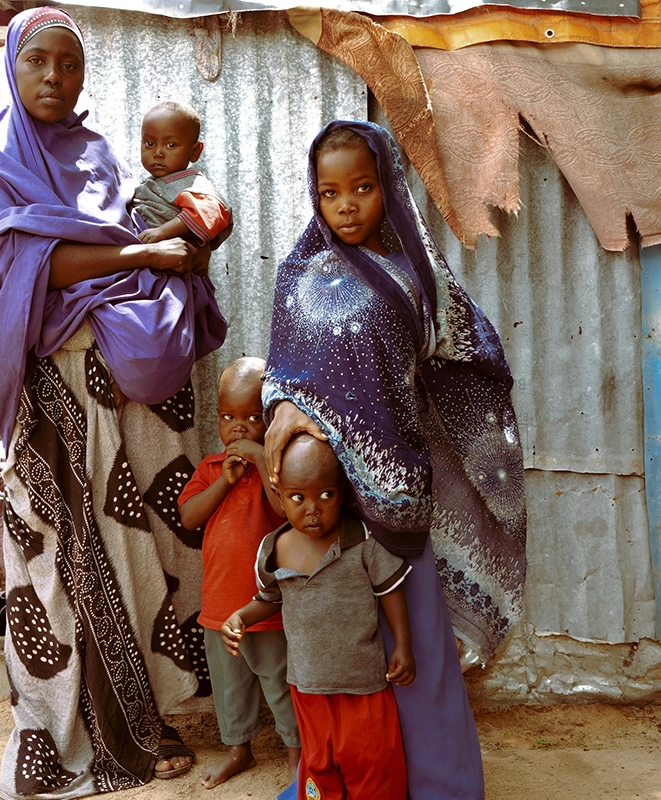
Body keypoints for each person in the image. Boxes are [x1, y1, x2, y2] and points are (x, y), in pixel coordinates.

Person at [0, 8, 226, 797]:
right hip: (53, 388)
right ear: (12, 65)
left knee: (147, 557)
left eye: (69, 65)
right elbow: (22, 267)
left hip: (126, 387)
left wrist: (172, 245)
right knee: (58, 565)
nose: (54, 78)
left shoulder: (101, 153)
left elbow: (108, 243)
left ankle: (150, 713)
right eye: (38, 61)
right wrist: (139, 252)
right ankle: (61, 731)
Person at [262, 120, 528, 800]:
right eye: (329, 192)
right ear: (313, 197)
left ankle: (442, 784)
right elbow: (283, 376)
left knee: (418, 653)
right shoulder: (298, 277)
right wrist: (284, 408)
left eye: (362, 188)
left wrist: (462, 415)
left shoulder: (418, 277)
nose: (346, 205)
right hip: (324, 495)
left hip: (395, 488)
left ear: (390, 188)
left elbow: (472, 353)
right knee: (338, 653)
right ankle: (338, 781)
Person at [223, 433, 414, 800]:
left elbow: (389, 589)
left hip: (364, 687)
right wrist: (242, 618)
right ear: (279, 495)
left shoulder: (361, 540)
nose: (312, 508)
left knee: (374, 765)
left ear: (341, 492)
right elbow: (269, 598)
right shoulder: (275, 550)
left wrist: (403, 645)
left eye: (325, 495)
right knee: (320, 767)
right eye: (298, 497)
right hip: (308, 686)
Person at [177, 357, 300, 789]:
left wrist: (260, 461)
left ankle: (295, 754)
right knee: (231, 688)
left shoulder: (281, 469)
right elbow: (190, 517)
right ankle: (238, 750)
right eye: (229, 417)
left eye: (252, 418)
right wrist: (225, 481)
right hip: (218, 606)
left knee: (280, 683)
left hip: (265, 608)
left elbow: (287, 507)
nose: (239, 428)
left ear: (270, 420)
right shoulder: (210, 468)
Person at [131, 101, 232, 254]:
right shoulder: (145, 184)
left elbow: (212, 211)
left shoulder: (192, 183)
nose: (158, 153)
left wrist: (163, 232)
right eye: (149, 143)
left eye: (171, 145)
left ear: (195, 151)